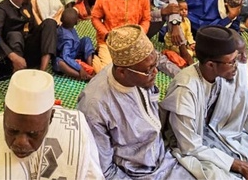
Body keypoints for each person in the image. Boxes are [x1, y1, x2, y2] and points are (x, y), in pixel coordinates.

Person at [161, 26, 248, 179]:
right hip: (194, 149)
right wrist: (239, 165)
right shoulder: (185, 90)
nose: (239, 64)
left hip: (225, 136)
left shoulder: (231, 73)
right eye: (232, 61)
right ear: (210, 65)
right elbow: (189, 146)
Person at [78, 25, 193, 179]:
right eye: (149, 70)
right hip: (135, 174)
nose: (155, 72)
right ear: (122, 72)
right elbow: (105, 171)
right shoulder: (95, 106)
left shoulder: (138, 70)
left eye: (155, 65)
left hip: (165, 157)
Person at [0, 69, 104, 178]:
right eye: (12, 131)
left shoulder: (76, 130)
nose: (20, 143)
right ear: (4, 111)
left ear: (51, 117)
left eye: (33, 134)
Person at [0, 0, 58, 76]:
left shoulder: (27, 4)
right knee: (15, 35)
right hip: (10, 55)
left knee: (50, 23)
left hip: (28, 49)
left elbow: (33, 27)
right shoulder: (2, 10)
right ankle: (18, 73)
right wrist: (12, 56)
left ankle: (42, 72)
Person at [91, 0, 151, 73]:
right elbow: (95, 18)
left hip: (133, 43)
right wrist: (106, 34)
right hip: (109, 42)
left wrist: (139, 34)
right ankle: (91, 56)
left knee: (141, 71)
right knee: (105, 72)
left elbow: (146, 20)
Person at [53, 7, 95, 80]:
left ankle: (89, 67)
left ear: (61, 19)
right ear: (76, 22)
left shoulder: (64, 27)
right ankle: (81, 75)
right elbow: (65, 56)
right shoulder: (67, 39)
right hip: (66, 58)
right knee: (59, 63)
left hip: (75, 51)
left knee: (86, 40)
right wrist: (79, 68)